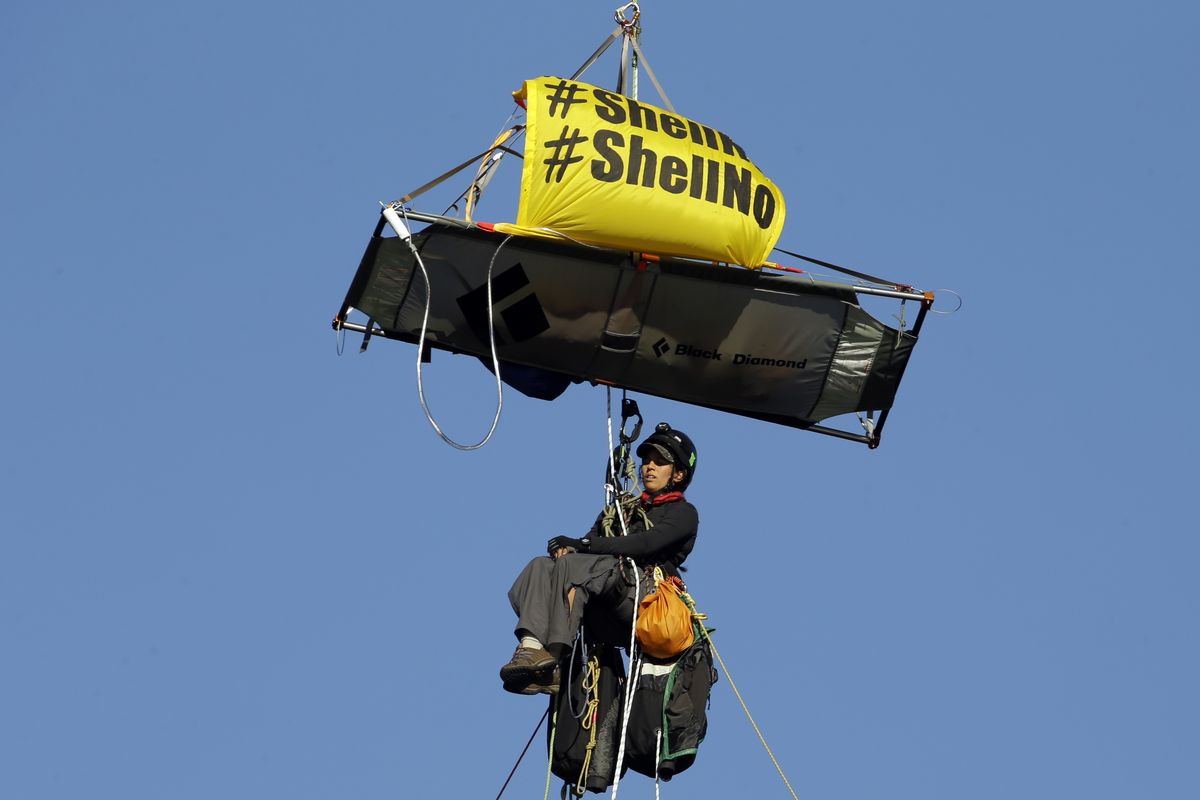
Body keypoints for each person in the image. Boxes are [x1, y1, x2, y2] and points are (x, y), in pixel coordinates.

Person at [500, 422, 699, 695]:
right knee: (542, 565)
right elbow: (590, 544)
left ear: (677, 474)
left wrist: (582, 545)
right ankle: (531, 648)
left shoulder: (684, 513)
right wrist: (568, 549)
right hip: (605, 595)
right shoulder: (622, 508)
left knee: (577, 566)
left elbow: (646, 544)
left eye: (660, 462)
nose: (649, 466)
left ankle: (554, 659)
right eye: (646, 460)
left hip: (642, 599)